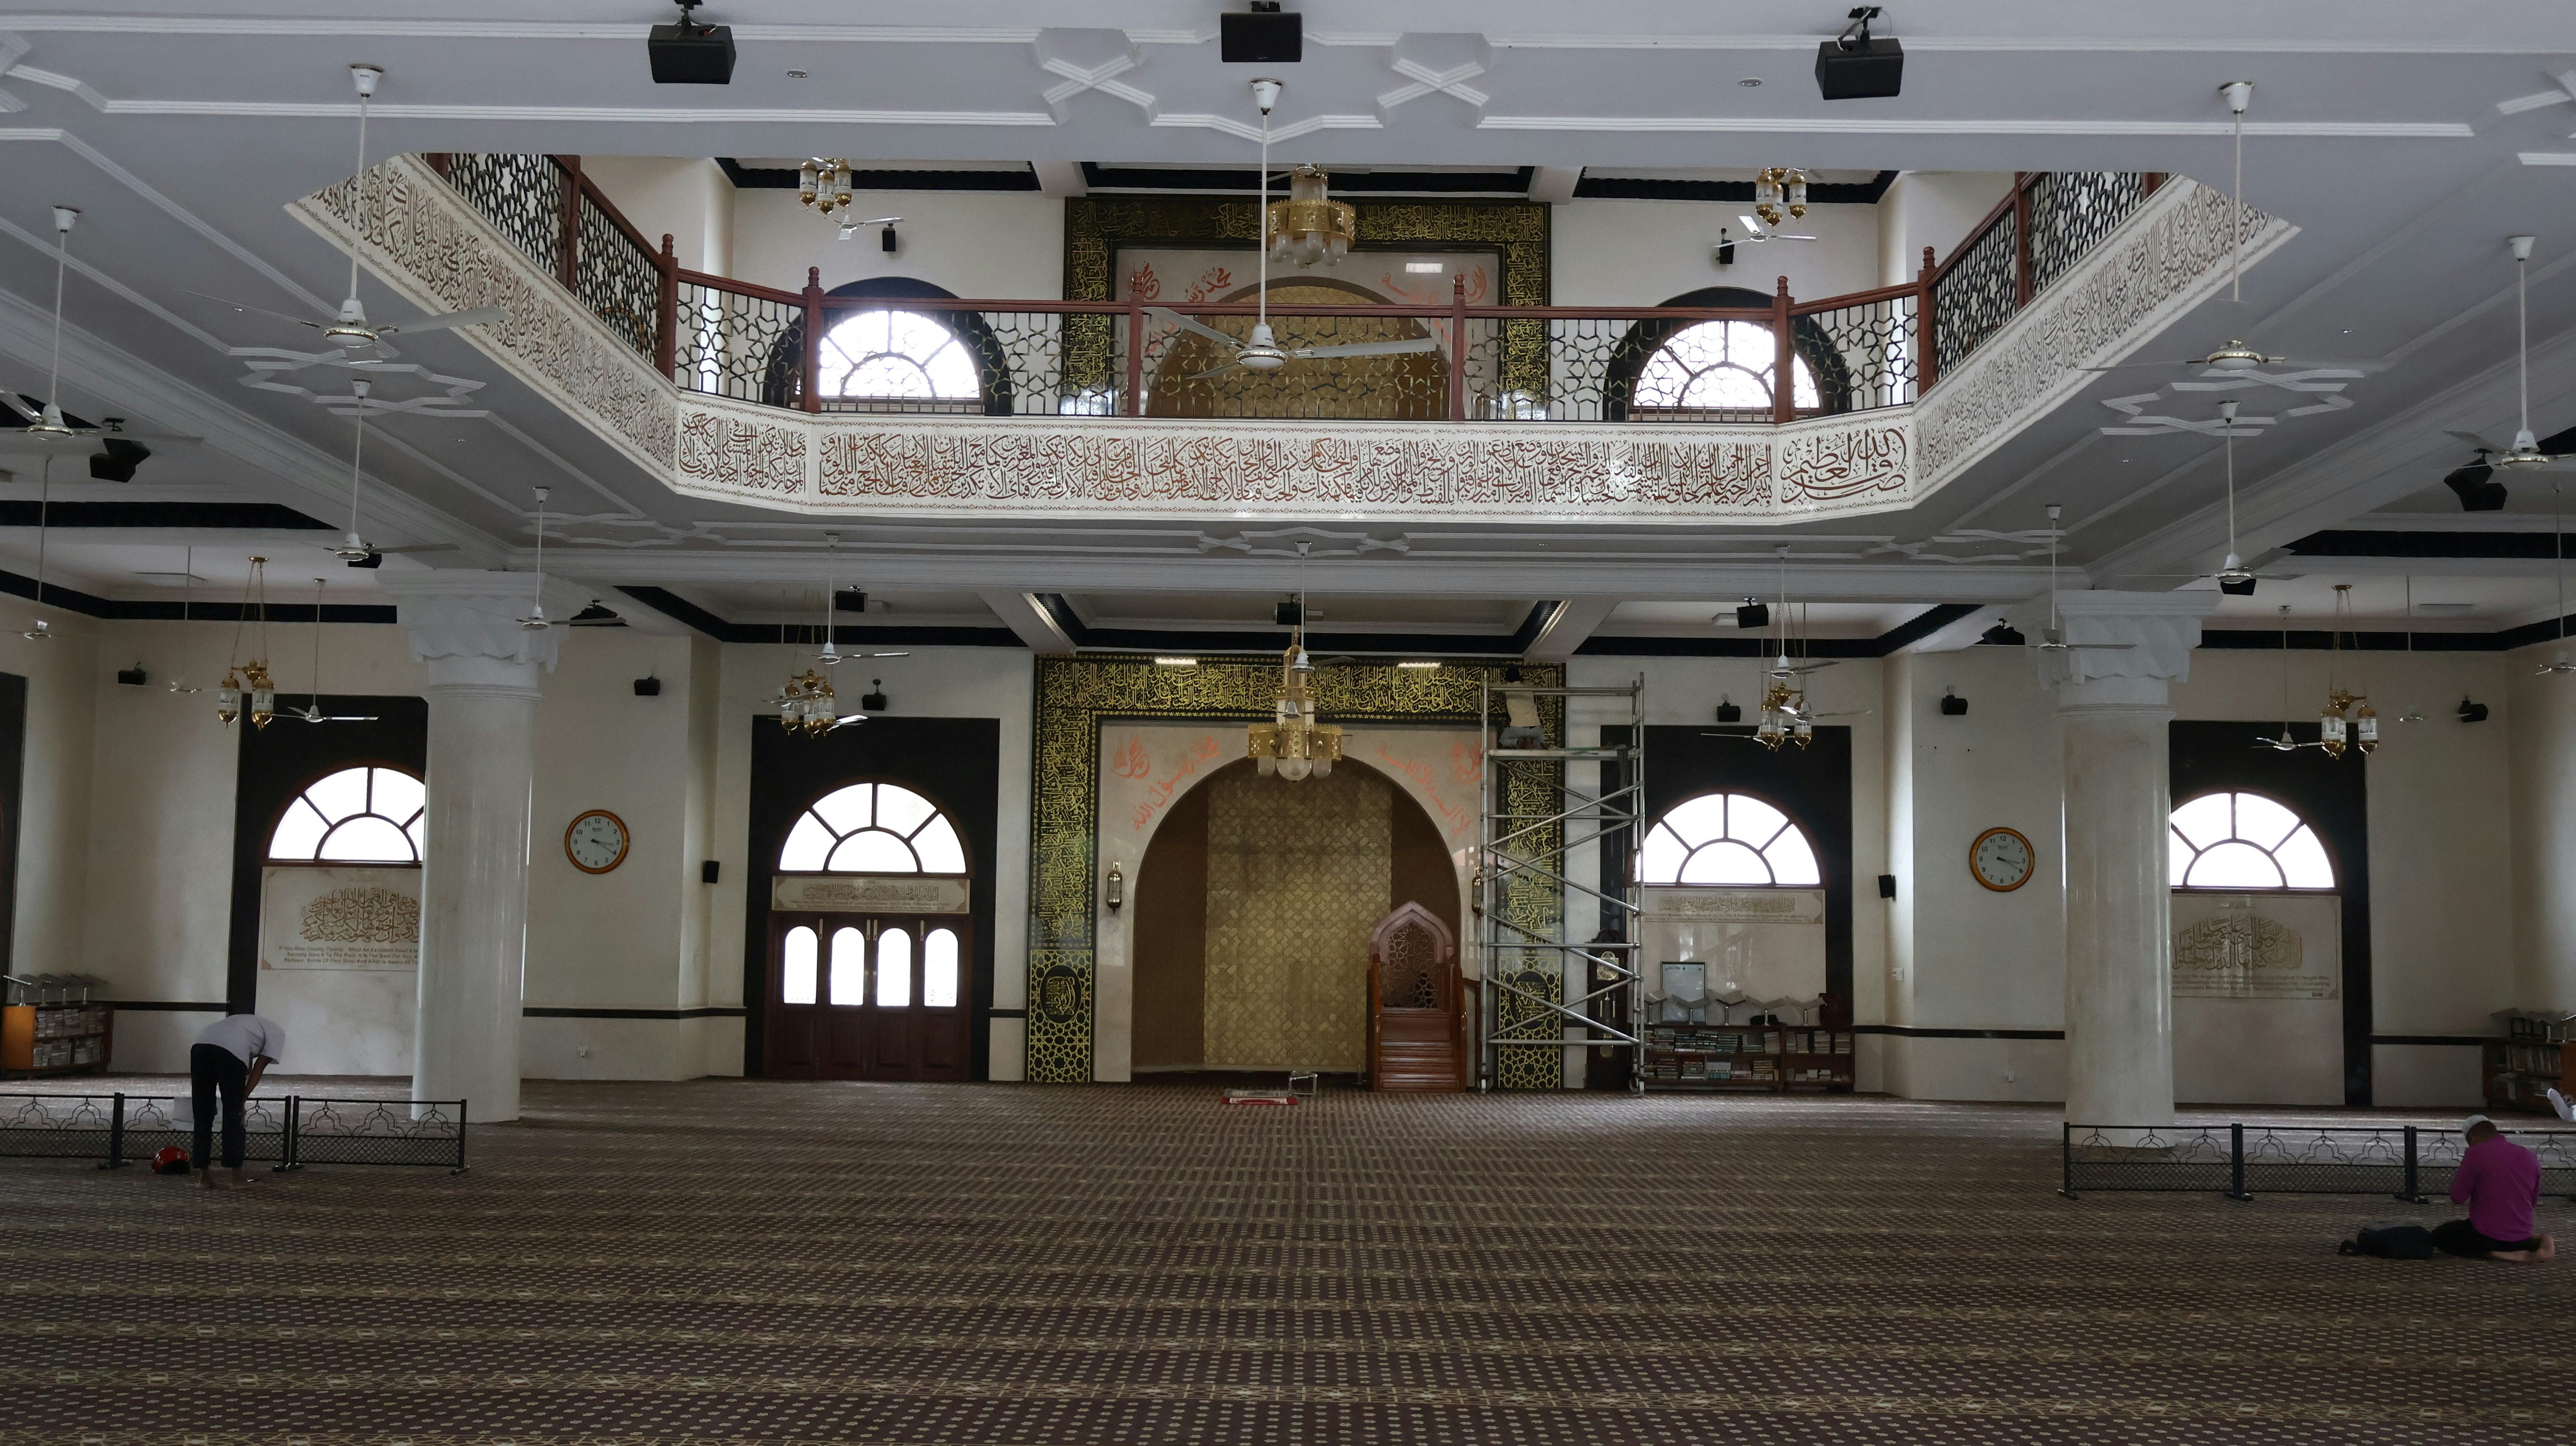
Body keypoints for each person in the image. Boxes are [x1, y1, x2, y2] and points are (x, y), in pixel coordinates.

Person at [2434, 1115, 2555, 1263]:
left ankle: (2495, 1254)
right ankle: (2542, 1243)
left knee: (2440, 1236)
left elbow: (2457, 1197)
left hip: (2486, 1236)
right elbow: (2533, 1201)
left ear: (2472, 1137)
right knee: (2524, 1242)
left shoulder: (2476, 1153)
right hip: (2521, 1237)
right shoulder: (2529, 1156)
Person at [190, 1013, 283, 1192]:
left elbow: (246, 1066)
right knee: (234, 1115)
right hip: (231, 1052)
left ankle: (204, 1178)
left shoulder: (248, 1024)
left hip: (200, 1045)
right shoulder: (277, 1033)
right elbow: (259, 1067)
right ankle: (237, 1180)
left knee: (202, 1113)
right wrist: (243, 1098)